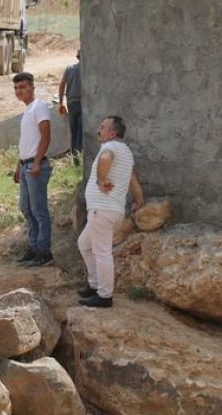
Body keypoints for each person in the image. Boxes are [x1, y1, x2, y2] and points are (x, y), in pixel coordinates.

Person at [77, 116, 144, 308]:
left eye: (102, 127)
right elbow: (132, 180)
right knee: (84, 244)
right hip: (110, 211)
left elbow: (105, 159)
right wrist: (138, 201)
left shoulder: (110, 148)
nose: (98, 130)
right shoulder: (126, 153)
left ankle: (105, 295)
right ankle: (95, 285)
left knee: (101, 252)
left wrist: (101, 180)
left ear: (112, 133)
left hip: (102, 209)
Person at [12, 72, 54, 267]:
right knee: (26, 208)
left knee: (39, 210)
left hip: (36, 165)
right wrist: (18, 167)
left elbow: (45, 137)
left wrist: (37, 162)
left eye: (22, 87)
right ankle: (34, 246)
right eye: (16, 88)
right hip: (25, 165)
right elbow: (26, 142)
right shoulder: (27, 111)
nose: (18, 91)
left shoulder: (40, 107)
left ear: (32, 88)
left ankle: (44, 251)